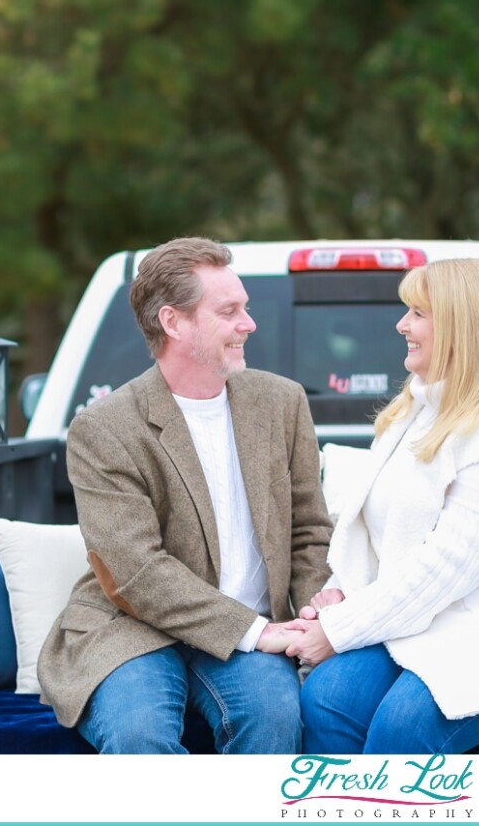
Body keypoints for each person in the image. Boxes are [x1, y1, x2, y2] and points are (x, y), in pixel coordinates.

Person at [288, 257, 479, 755]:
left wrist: (338, 631)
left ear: (461, 325)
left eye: (418, 313)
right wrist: (340, 592)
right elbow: (372, 530)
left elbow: (450, 566)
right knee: (327, 699)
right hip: (424, 622)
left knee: (403, 727)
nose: (401, 324)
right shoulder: (411, 411)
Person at [36, 237, 332, 754]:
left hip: (254, 633)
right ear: (174, 323)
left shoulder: (282, 403)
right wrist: (256, 632)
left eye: (245, 308)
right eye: (229, 311)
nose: (249, 323)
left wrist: (313, 622)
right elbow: (137, 572)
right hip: (135, 629)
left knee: (276, 720)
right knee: (139, 733)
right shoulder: (104, 429)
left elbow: (308, 531)